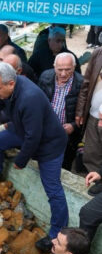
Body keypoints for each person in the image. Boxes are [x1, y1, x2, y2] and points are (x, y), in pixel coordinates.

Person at [0, 62, 68, 250]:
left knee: (53, 190)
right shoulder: (9, 88)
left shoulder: (29, 98)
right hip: (24, 130)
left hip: (49, 143)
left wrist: (21, 161)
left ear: (11, 83)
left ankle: (57, 235)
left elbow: (34, 136)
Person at [37, 52, 84, 170]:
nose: (63, 74)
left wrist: (73, 126)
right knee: (42, 159)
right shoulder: (45, 77)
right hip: (45, 129)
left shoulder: (82, 83)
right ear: (54, 66)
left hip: (67, 135)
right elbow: (36, 102)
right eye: (60, 69)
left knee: (64, 163)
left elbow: (85, 112)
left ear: (74, 67)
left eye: (68, 69)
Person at [75, 47, 102, 187]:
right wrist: (80, 110)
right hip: (94, 114)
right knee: (91, 153)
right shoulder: (98, 53)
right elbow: (86, 84)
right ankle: (94, 182)